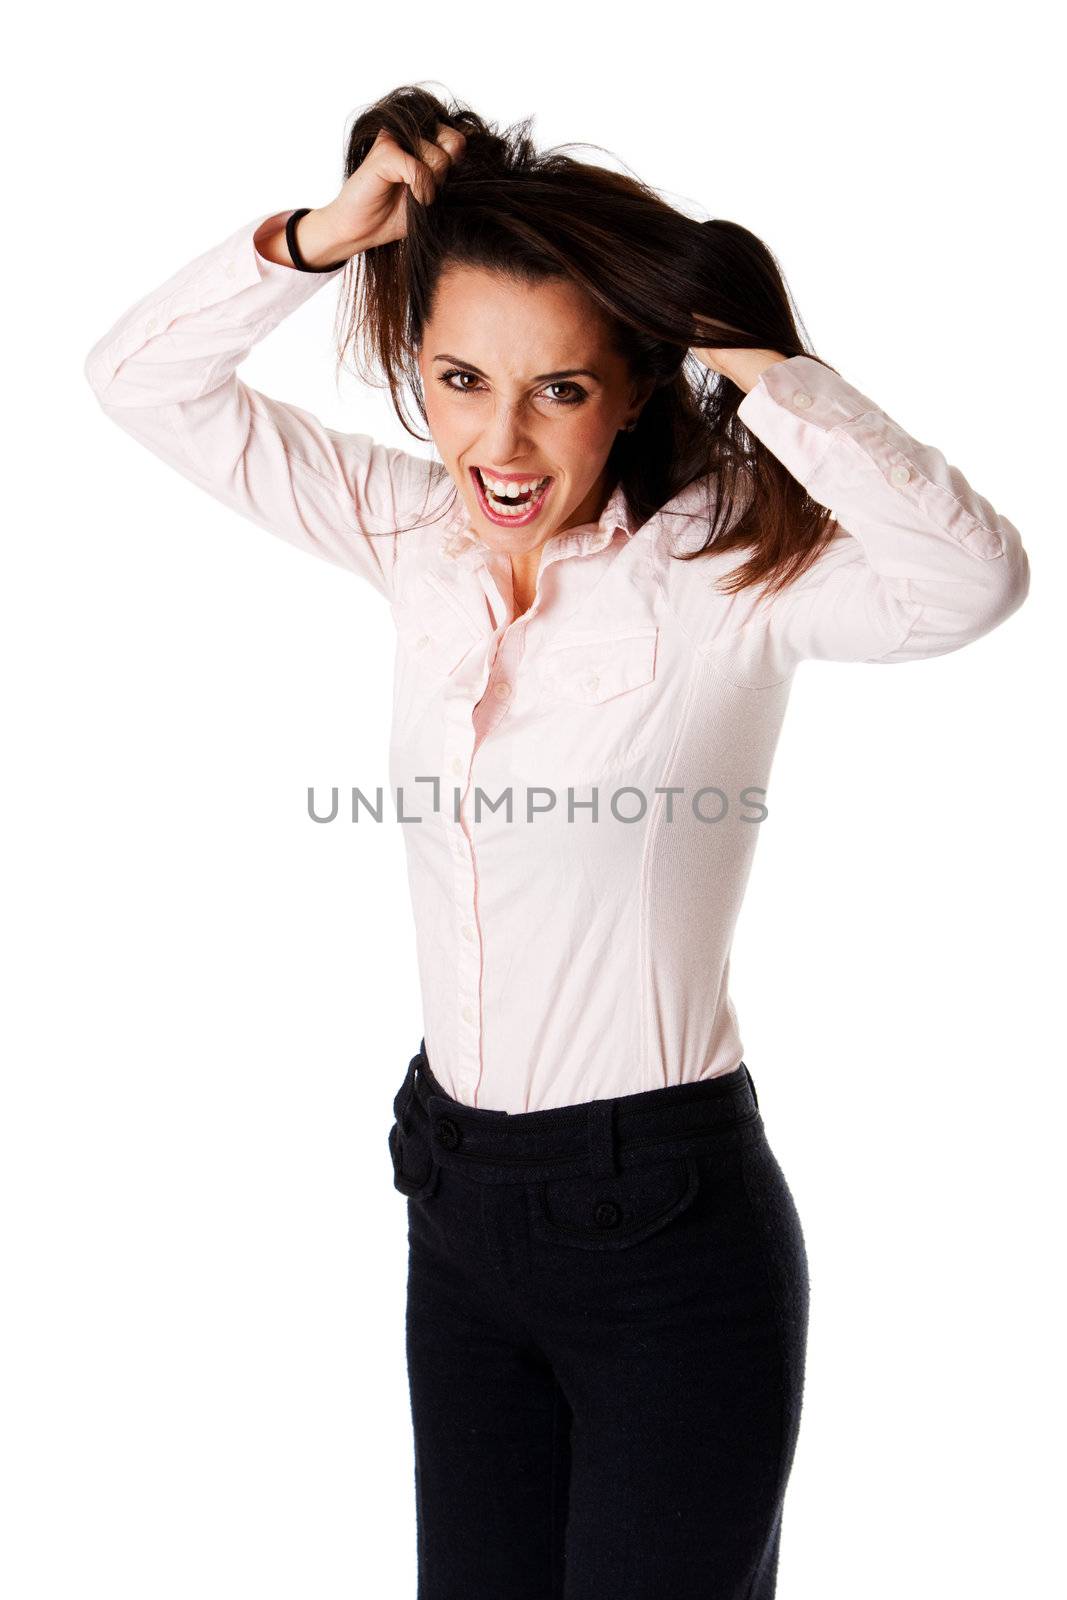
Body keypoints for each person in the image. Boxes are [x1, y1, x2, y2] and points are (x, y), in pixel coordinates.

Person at [83, 84, 1029, 1600]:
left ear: (641, 386)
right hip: (455, 1210)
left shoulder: (728, 570)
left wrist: (765, 368)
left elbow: (969, 584)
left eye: (562, 391)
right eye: (460, 379)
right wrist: (325, 237)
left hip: (663, 1232)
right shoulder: (411, 539)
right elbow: (140, 383)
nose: (502, 442)